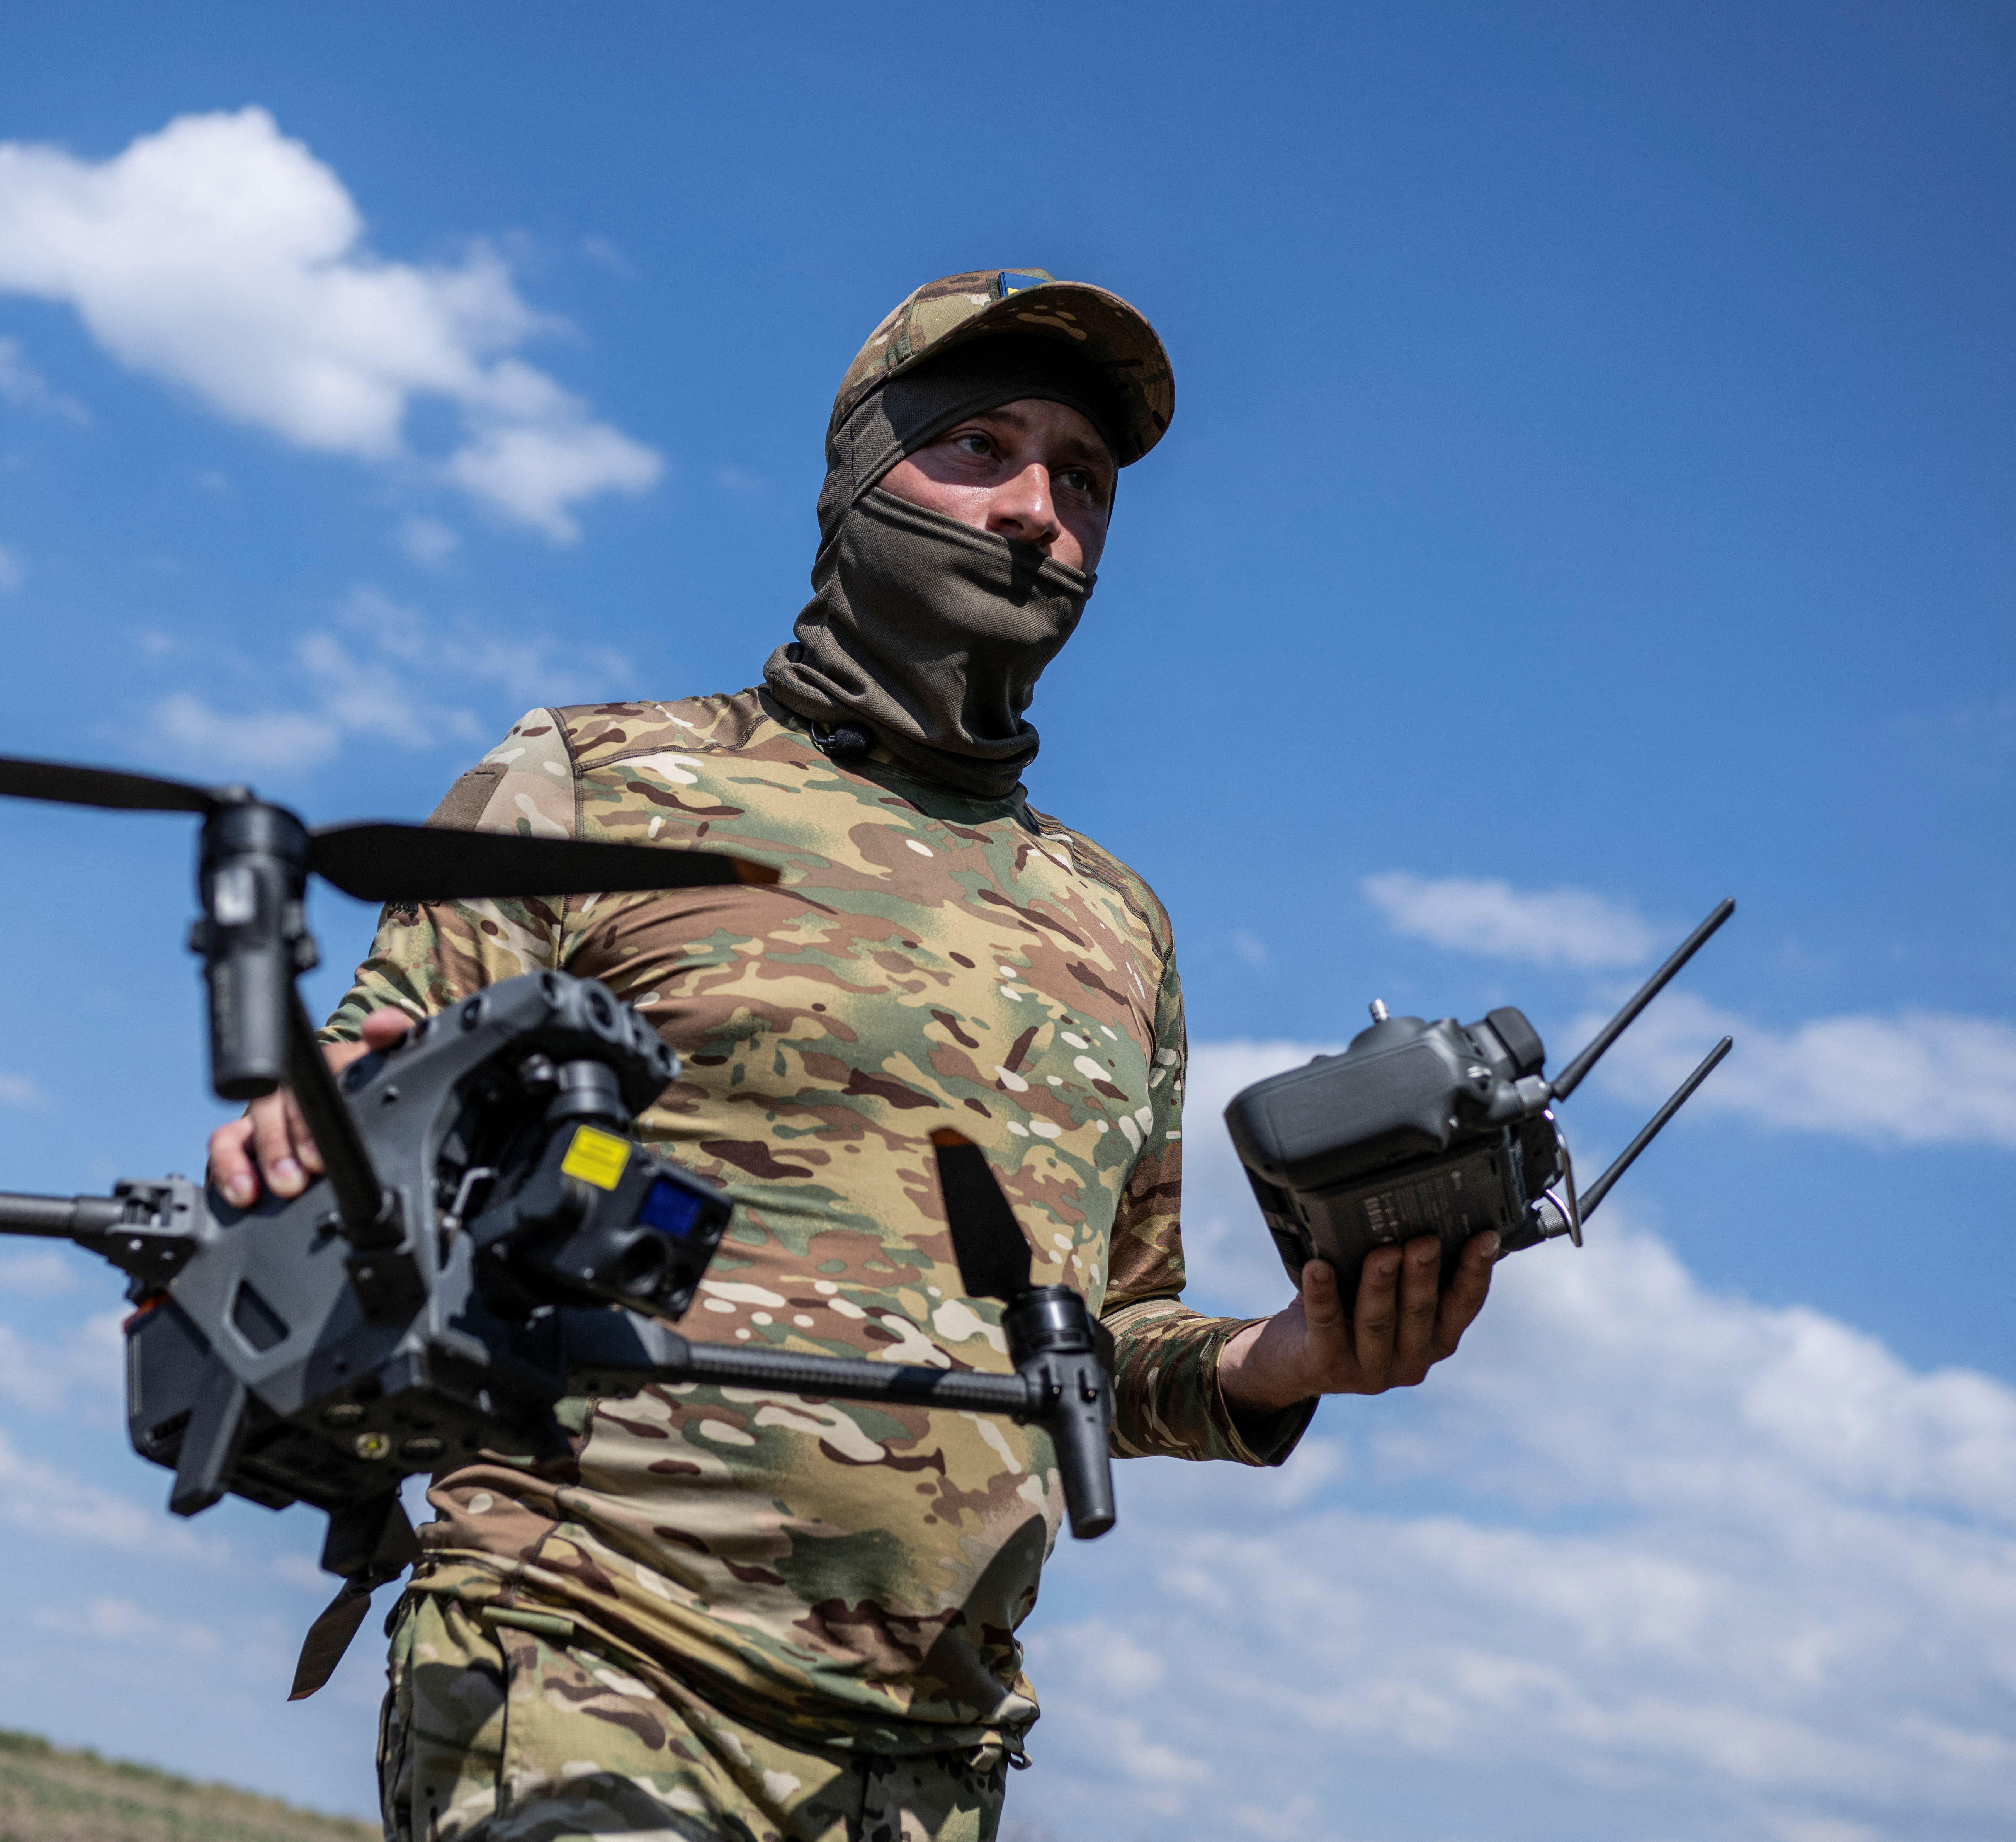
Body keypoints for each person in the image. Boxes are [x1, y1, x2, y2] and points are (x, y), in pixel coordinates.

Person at [207, 269, 1497, 1842]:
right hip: (586, 1658)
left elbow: (1099, 1341)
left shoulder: (1119, 927)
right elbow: (364, 1097)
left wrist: (1283, 1360)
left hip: (930, 1762)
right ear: (860, 479)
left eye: (1084, 480)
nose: (1036, 512)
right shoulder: (596, 781)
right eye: (980, 448)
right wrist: (311, 1125)